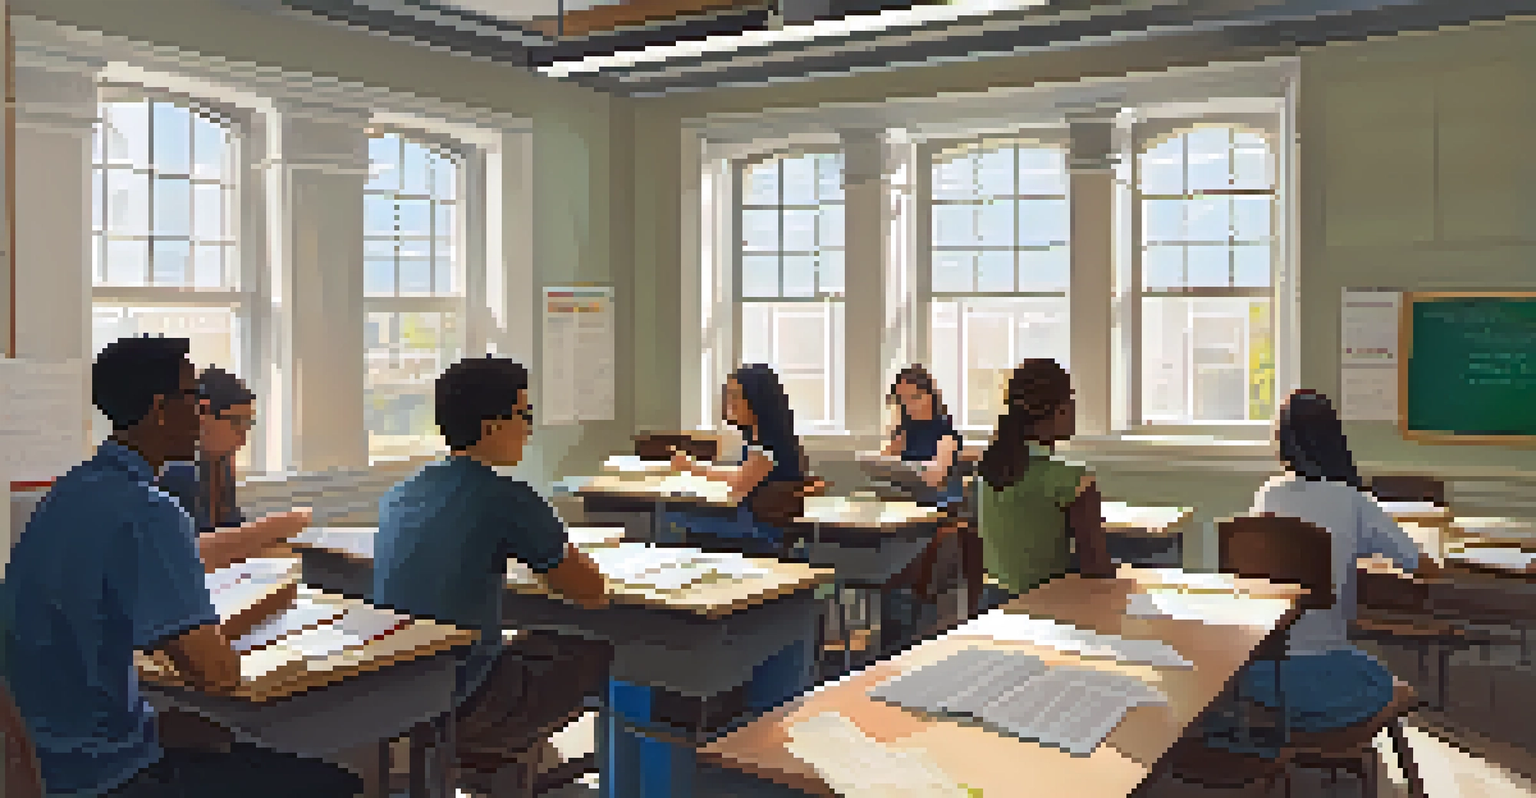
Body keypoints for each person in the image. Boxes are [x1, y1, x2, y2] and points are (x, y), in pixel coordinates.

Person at [2, 336, 360, 797]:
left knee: (206, 735)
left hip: (46, 756)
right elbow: (216, 675)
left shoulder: (70, 490)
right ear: (160, 408)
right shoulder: (148, 510)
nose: (203, 410)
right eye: (194, 397)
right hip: (104, 775)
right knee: (335, 784)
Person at [374, 356, 612, 770]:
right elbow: (590, 591)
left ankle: (524, 763)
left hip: (401, 694)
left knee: (527, 642)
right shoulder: (508, 498)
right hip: (469, 699)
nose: (529, 428)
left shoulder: (400, 494)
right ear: (492, 426)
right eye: (525, 414)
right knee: (604, 647)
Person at [1201, 389, 1440, 758]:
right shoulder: (1352, 500)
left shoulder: (1269, 494)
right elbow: (1422, 565)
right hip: (1327, 683)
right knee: (1382, 678)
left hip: (1264, 679)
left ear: (1282, 443)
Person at [976, 359, 1113, 604]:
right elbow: (1096, 568)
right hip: (1048, 607)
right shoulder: (1074, 481)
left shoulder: (989, 469)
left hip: (992, 605)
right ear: (1059, 409)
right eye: (1070, 399)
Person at [158, 367, 309, 559]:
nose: (243, 438)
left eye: (248, 424)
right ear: (202, 414)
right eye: (236, 422)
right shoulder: (175, 470)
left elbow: (233, 532)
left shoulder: (221, 465)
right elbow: (188, 552)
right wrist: (274, 528)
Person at [666, 364, 809, 558]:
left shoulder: (768, 442)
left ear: (755, 400)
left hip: (758, 527)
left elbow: (741, 482)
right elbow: (745, 474)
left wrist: (693, 468)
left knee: (672, 518)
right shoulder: (763, 437)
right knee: (677, 516)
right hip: (757, 520)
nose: (728, 402)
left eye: (735, 396)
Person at [881, 365, 983, 620]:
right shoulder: (904, 434)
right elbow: (883, 467)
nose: (910, 406)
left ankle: (913, 611)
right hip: (905, 512)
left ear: (931, 397)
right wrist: (895, 429)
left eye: (915, 397)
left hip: (937, 513)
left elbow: (936, 478)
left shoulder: (944, 434)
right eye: (903, 400)